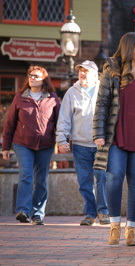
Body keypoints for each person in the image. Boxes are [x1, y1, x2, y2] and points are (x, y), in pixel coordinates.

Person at [93, 32, 135, 246]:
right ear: (129, 50)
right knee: (113, 179)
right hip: (116, 135)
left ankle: (131, 229)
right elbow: (102, 104)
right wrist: (99, 133)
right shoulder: (111, 72)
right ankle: (114, 226)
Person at [2, 66, 60, 225]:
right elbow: (9, 124)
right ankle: (23, 211)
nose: (32, 78)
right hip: (22, 143)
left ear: (44, 80)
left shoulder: (52, 98)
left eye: (36, 76)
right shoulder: (20, 97)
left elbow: (60, 123)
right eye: (30, 75)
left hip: (46, 144)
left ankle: (37, 214)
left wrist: (62, 141)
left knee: (41, 179)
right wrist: (6, 147)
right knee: (26, 175)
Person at [56, 60, 110, 226]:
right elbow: (64, 118)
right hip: (80, 145)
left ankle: (103, 211)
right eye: (80, 70)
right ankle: (90, 213)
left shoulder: (104, 90)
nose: (82, 73)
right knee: (84, 181)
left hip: (101, 144)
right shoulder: (72, 92)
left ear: (95, 75)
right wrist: (61, 139)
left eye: (86, 71)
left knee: (101, 177)